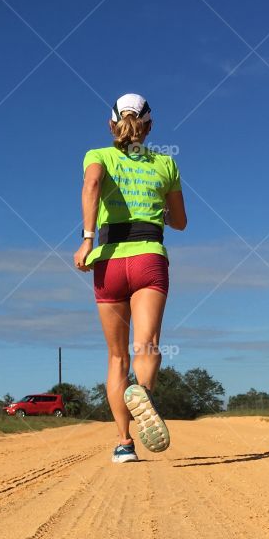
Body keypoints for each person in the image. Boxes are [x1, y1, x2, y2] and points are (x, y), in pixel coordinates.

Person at [73, 93, 188, 463]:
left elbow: (91, 186)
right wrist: (157, 207)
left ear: (111, 125)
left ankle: (124, 444)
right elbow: (181, 222)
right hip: (148, 257)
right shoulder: (166, 163)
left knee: (116, 357)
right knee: (148, 346)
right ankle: (144, 394)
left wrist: (86, 240)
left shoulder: (98, 156)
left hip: (107, 260)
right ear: (150, 126)